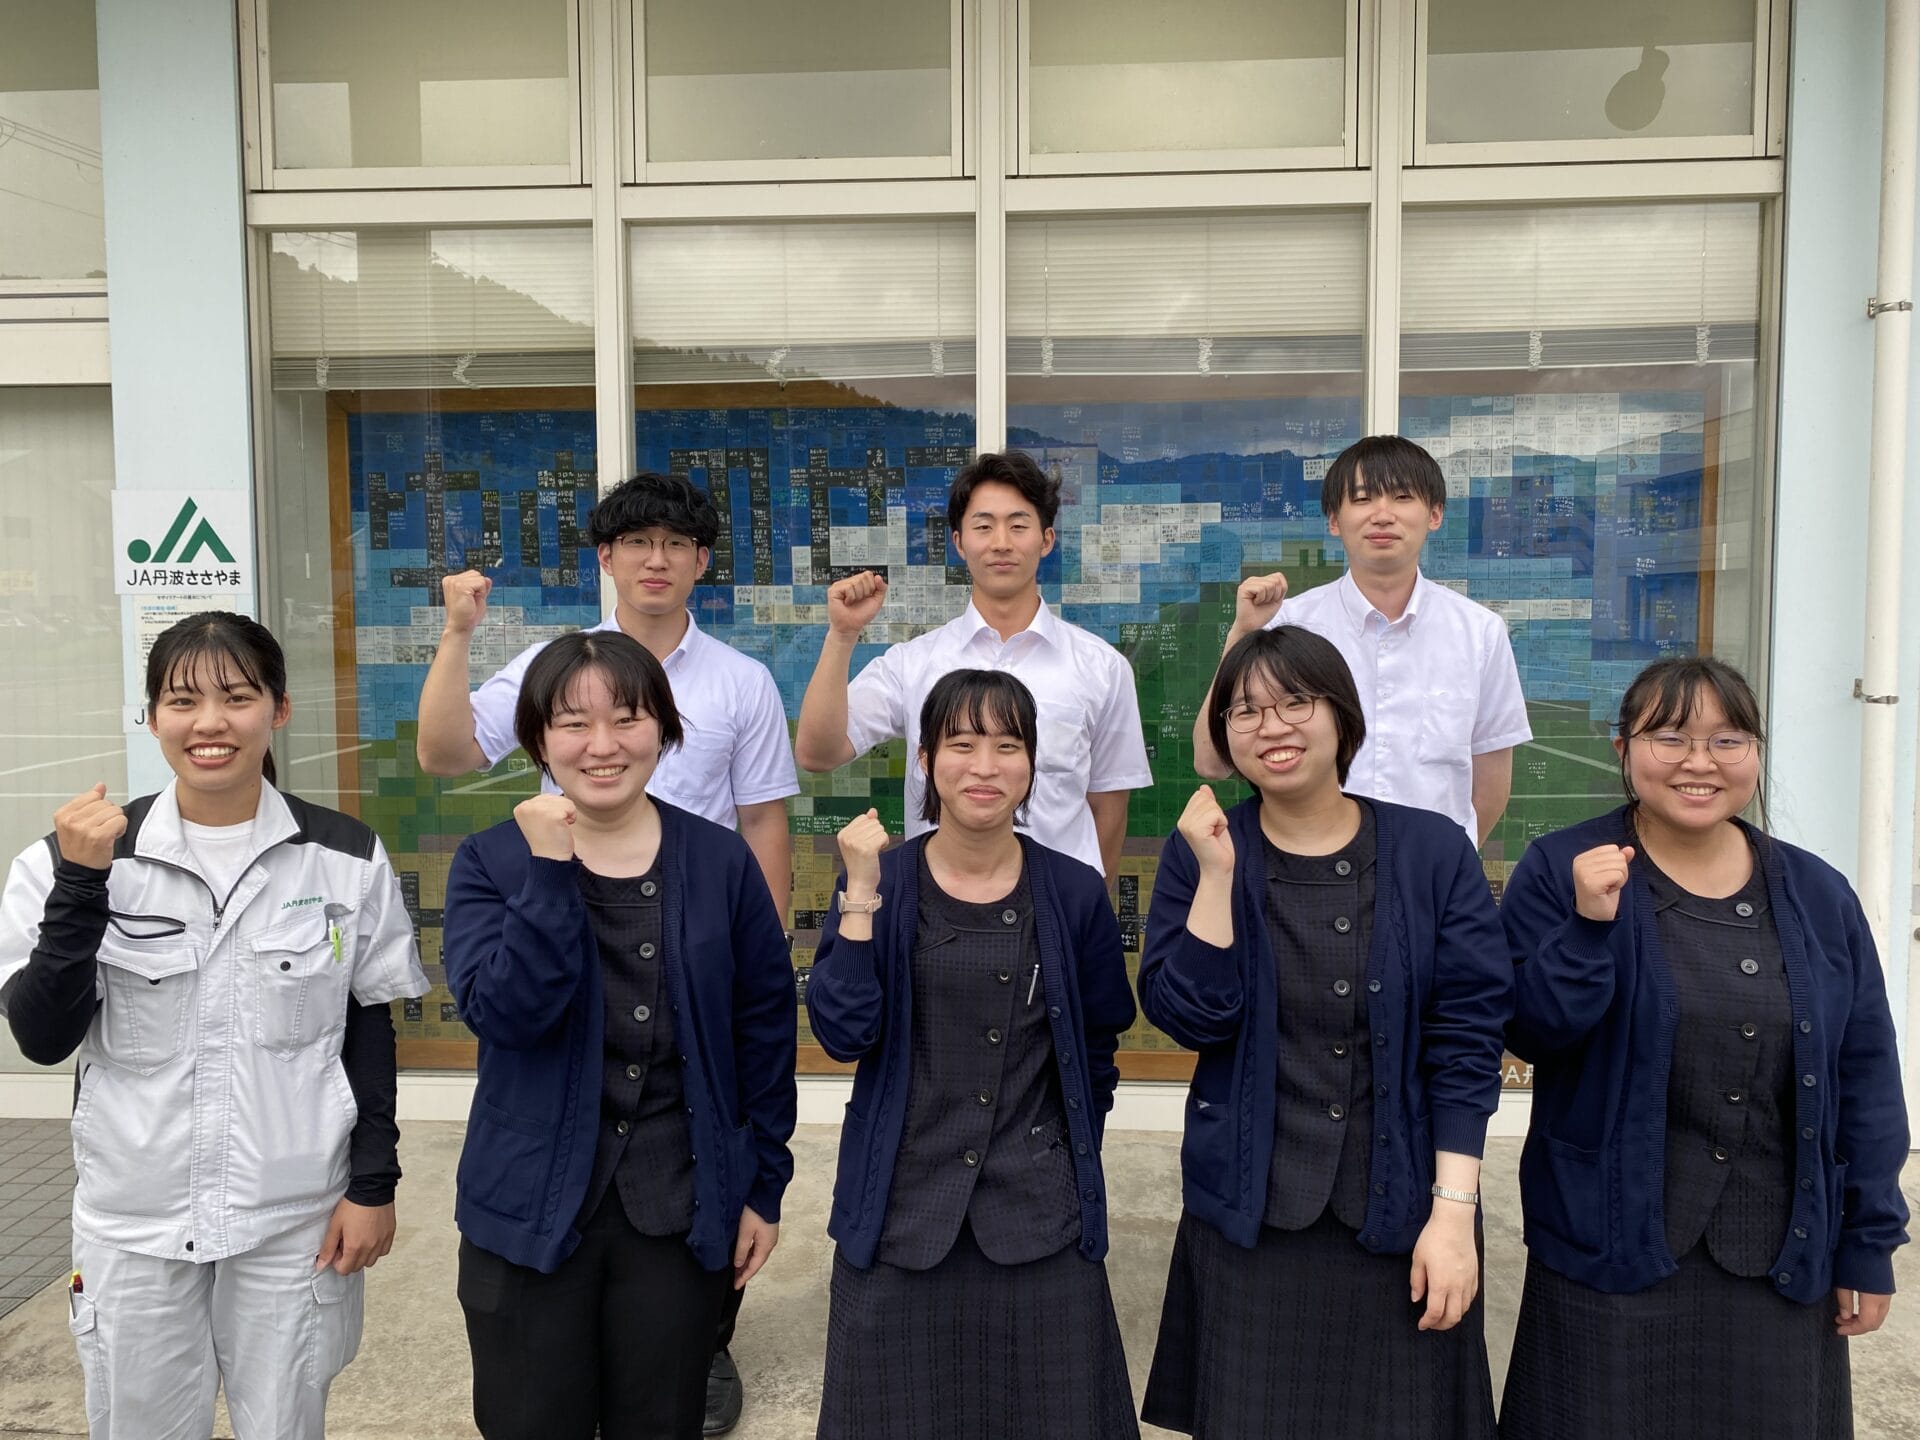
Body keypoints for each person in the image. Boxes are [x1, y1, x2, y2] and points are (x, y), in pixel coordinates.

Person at [416, 471, 796, 1430]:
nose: (602, 744)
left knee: (661, 1418)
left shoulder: (716, 860)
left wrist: (763, 1186)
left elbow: (759, 1033)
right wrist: (551, 874)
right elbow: (507, 1016)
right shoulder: (495, 863)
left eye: (627, 721)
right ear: (538, 739)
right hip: (528, 1202)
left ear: (664, 731)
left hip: (677, 1202)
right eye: (573, 724)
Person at [0, 612, 428, 1440]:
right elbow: (43, 1037)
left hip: (294, 1215)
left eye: (236, 697)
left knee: (287, 1426)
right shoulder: (65, 859)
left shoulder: (344, 856)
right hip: (136, 1219)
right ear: (152, 716)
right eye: (182, 700)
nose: (210, 723)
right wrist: (83, 887)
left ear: (279, 709)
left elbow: (366, 1027)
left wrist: (373, 1185)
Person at [1498, 654, 1909, 1439]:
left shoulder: (1819, 895)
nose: (1699, 762)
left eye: (1728, 741)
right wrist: (1587, 929)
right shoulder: (1563, 869)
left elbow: (1866, 1078)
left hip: (1777, 1257)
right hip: (1607, 1248)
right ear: (1623, 749)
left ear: (1755, 752)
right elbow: (1528, 1032)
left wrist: (1868, 1240)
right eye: (1671, 738)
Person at [1139, 625, 1513, 1439]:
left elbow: (1467, 1041)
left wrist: (1453, 1215)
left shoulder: (1433, 852)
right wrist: (1216, 879)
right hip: (1252, 1219)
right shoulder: (1203, 850)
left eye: (1295, 703)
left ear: (1341, 715)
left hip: (1406, 1215)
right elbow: (1191, 1018)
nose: (1271, 727)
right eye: (1245, 711)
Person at [806, 669, 1140, 1440]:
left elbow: (1098, 1043)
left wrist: (1063, 1158)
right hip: (900, 1209)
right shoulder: (882, 883)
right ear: (926, 761)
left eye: (1007, 746)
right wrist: (858, 896)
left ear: (1032, 764)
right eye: (961, 744)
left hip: (1038, 1215)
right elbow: (843, 1034)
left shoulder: (1074, 891)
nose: (984, 767)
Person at [795, 449, 1152, 881]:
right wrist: (842, 635)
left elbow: (1109, 808)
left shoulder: (1102, 667)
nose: (1001, 542)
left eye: (1018, 525)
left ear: (1046, 540)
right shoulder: (914, 663)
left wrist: (1088, 907)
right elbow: (818, 752)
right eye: (983, 526)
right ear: (959, 542)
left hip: (1058, 906)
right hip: (935, 907)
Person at [1191, 435, 1530, 848]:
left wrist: (1449, 861)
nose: (1382, 515)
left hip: (1430, 868)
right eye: (1363, 498)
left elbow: (1491, 784)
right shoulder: (1291, 624)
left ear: (1435, 514)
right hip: (1306, 864)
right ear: (1334, 520)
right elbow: (1211, 761)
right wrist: (1243, 634)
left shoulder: (1480, 632)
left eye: (1402, 497)